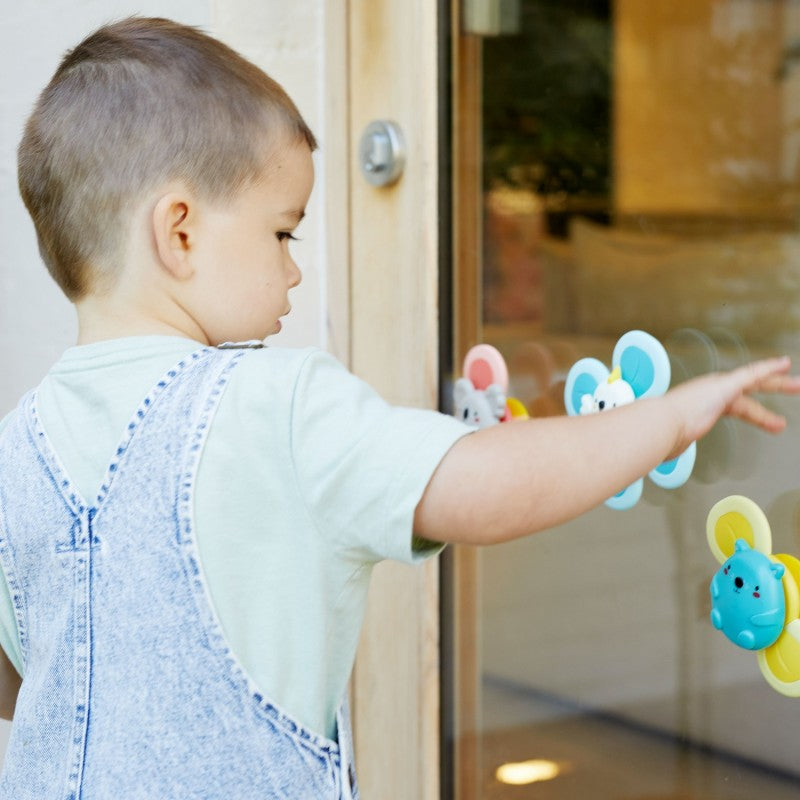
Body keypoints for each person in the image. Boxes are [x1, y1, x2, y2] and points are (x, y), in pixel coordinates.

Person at [1, 16, 799, 800]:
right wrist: (668, 416)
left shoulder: (17, 450)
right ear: (179, 233)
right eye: (283, 234)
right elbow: (485, 485)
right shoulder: (274, 406)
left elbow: (20, 680)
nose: (294, 273)